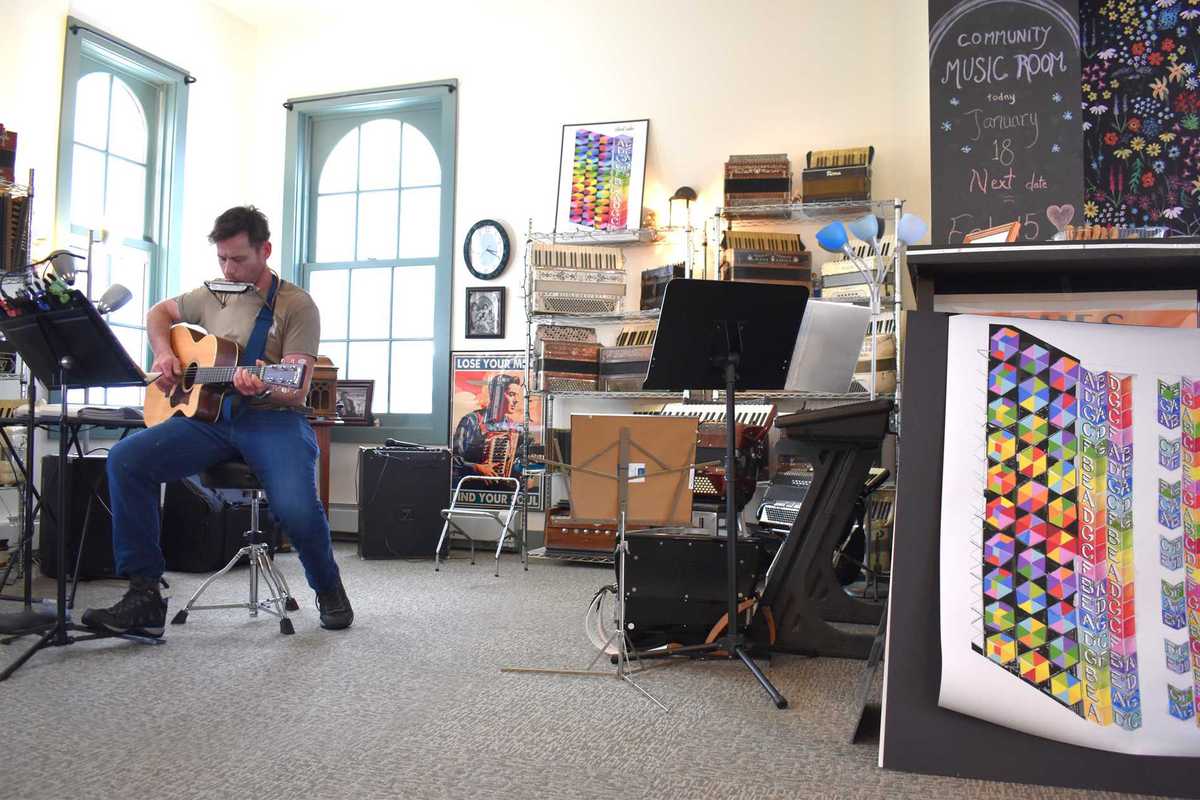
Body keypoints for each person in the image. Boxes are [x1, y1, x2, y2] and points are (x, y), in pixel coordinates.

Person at [82, 206, 353, 636]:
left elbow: (297, 386)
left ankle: (329, 589)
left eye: (239, 259)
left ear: (265, 250)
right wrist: (166, 353)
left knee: (297, 508)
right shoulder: (212, 293)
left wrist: (263, 385)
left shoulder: (296, 305)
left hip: (273, 419)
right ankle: (145, 596)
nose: (229, 268)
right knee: (126, 459)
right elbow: (159, 313)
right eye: (222, 259)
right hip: (210, 418)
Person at [451, 374, 527, 485]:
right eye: (511, 394)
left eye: (517, 396)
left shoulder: (514, 427)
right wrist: (477, 467)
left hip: (504, 490)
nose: (516, 400)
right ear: (497, 395)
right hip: (472, 488)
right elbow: (452, 459)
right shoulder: (471, 421)